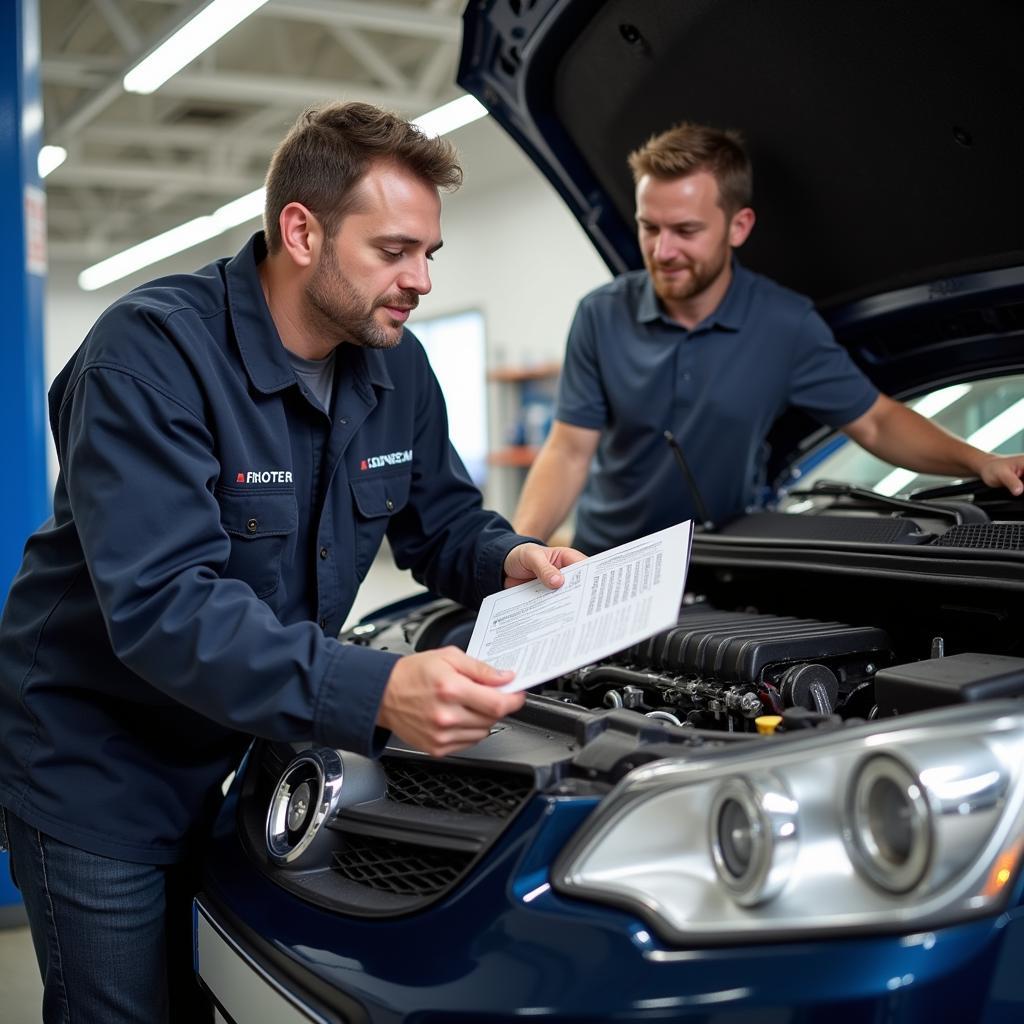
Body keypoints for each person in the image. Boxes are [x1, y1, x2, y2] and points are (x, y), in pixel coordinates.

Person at [0, 102, 583, 1023]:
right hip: (101, 762)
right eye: (394, 251)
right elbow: (164, 608)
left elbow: (442, 522)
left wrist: (509, 556)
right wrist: (378, 691)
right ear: (302, 231)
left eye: (431, 254)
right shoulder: (148, 358)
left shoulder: (395, 365)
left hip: (248, 749)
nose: (420, 279)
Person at [512, 122, 1024, 553]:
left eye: (686, 231)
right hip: (606, 559)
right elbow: (569, 451)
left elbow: (876, 421)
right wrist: (518, 548)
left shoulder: (786, 325)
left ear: (739, 226)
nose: (662, 250)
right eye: (650, 227)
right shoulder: (601, 315)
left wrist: (981, 460)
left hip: (723, 562)